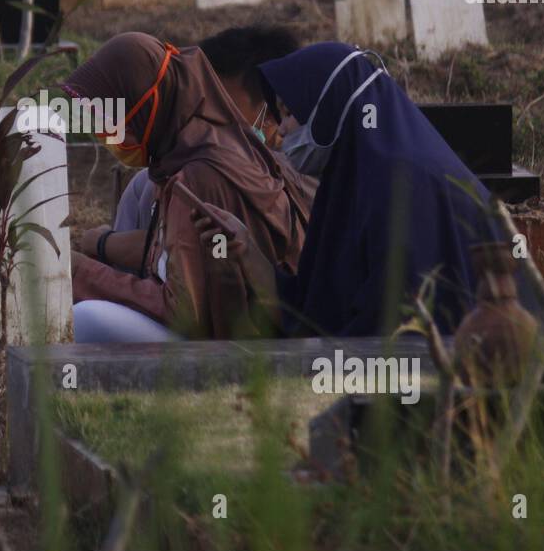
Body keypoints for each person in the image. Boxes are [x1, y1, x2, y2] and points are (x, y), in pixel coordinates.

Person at [193, 42, 517, 336]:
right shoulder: (350, 182)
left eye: (290, 113)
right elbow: (313, 313)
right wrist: (246, 249)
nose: (283, 130)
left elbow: (389, 331)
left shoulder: (400, 183)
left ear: (333, 107)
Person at [63, 32, 310, 342]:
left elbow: (184, 313)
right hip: (237, 329)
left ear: (146, 104)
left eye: (114, 117)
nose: (110, 133)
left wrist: (80, 274)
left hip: (227, 344)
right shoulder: (204, 147)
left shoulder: (197, 176)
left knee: (86, 318)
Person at [88, 23, 317, 273]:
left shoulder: (300, 170)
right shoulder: (158, 178)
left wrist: (104, 244)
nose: (206, 114)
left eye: (222, 106)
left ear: (274, 109)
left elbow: (187, 262)